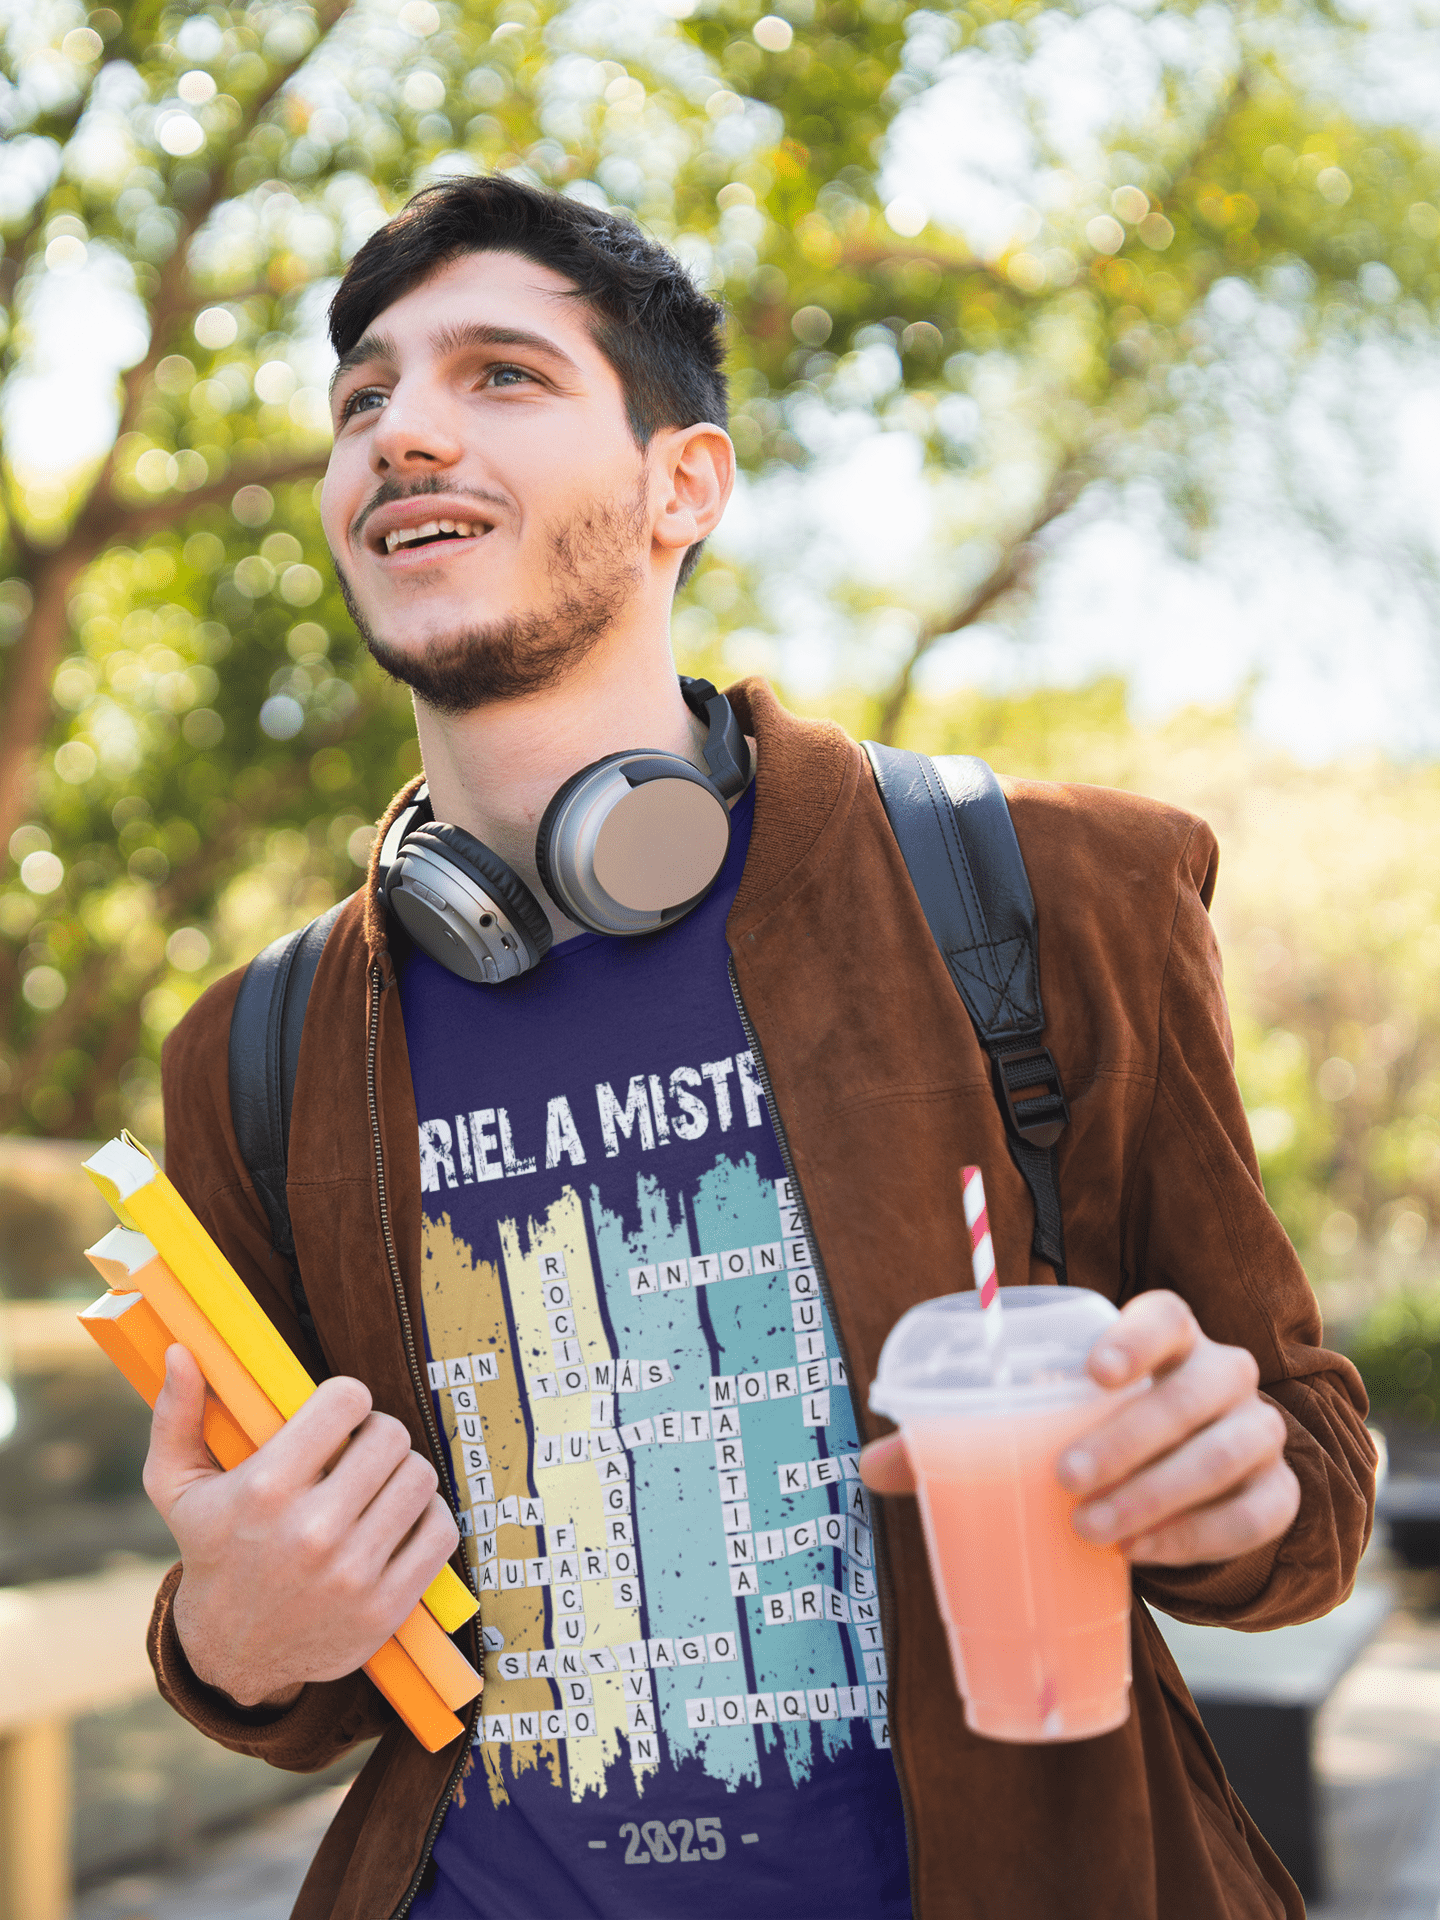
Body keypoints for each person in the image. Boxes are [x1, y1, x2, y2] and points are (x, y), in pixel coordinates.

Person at [141, 176, 1376, 1920]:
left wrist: (1223, 1479)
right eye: (364, 399)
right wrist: (230, 1638)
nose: (401, 429)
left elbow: (1310, 1490)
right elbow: (303, 1665)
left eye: (499, 374)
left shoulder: (1048, 891)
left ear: (682, 485)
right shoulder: (253, 1053)